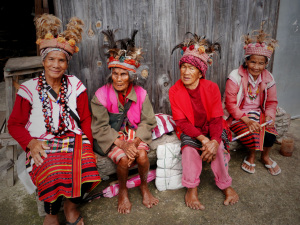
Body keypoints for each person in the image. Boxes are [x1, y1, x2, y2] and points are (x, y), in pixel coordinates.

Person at [7, 14, 101, 225]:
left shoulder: (75, 85)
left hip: (74, 138)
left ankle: (71, 206)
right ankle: (51, 214)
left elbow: (85, 117)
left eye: (61, 60)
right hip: (41, 141)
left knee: (86, 165)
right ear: (43, 60)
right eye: (51, 59)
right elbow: (14, 124)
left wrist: (88, 143)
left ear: (67, 63)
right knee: (49, 167)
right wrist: (30, 143)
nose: (56, 65)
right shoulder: (29, 89)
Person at [91, 29, 159, 214]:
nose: (119, 79)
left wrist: (135, 142)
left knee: (142, 156)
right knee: (122, 159)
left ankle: (144, 187)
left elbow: (148, 121)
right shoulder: (100, 96)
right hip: (112, 137)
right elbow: (100, 127)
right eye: (115, 74)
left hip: (133, 134)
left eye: (123, 74)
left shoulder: (141, 94)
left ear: (131, 76)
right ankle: (123, 191)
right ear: (111, 73)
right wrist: (122, 144)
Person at [169, 33, 239, 210]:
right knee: (189, 151)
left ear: (200, 72)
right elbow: (182, 123)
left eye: (191, 68)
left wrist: (214, 141)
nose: (186, 72)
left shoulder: (212, 88)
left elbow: (217, 118)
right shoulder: (174, 91)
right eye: (183, 67)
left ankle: (225, 184)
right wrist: (204, 140)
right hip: (191, 129)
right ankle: (191, 188)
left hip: (212, 128)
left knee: (220, 148)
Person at [223, 26, 281, 175]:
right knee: (252, 134)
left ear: (266, 64)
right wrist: (248, 120)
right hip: (238, 116)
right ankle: (251, 155)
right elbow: (230, 104)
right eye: (253, 62)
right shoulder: (235, 76)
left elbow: (271, 102)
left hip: (259, 113)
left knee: (271, 133)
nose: (256, 67)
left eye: (261, 63)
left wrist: (269, 116)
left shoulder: (268, 78)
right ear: (246, 61)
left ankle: (265, 156)